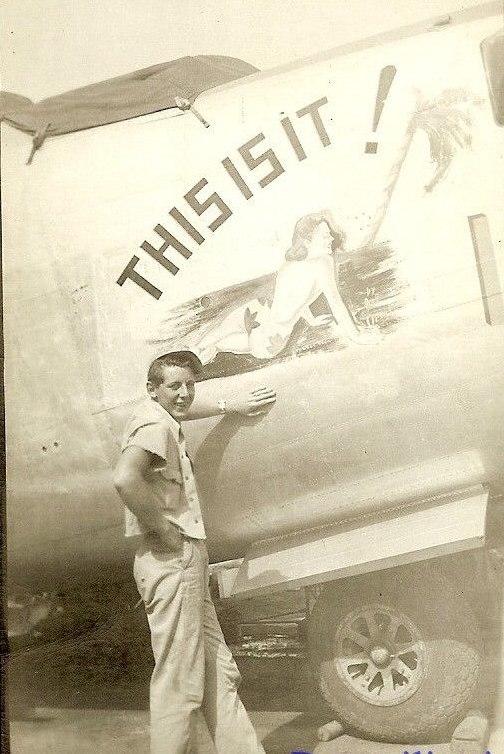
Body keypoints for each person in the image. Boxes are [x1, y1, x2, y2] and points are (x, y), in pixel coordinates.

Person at [113, 350, 276, 754]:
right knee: (180, 684)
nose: (184, 393)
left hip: (184, 559)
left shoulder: (158, 413)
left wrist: (228, 405)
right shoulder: (155, 424)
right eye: (175, 385)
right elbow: (125, 478)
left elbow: (182, 406)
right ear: (152, 389)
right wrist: (165, 530)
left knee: (219, 672)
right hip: (172, 559)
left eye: (190, 384)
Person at [193, 210, 380, 364]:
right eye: (325, 235)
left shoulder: (295, 263)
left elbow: (299, 297)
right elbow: (331, 302)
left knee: (211, 342)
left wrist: (311, 319)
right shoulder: (319, 263)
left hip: (265, 323)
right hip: (268, 328)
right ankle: (199, 353)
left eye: (329, 233)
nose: (331, 238)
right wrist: (356, 336)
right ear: (307, 239)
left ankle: (195, 354)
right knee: (213, 345)